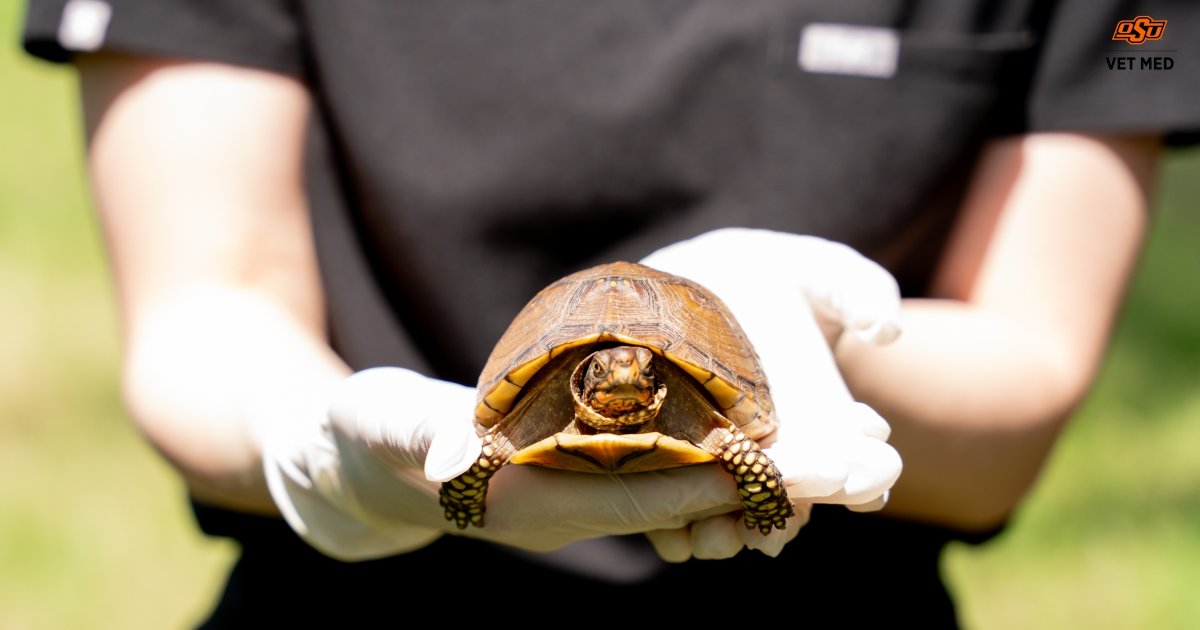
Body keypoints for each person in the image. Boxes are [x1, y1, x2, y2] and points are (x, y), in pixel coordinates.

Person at [23, 0, 1197, 626]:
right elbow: (203, 301)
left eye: (631, 377)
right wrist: (320, 453)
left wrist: (822, 349)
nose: (623, 381)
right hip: (344, 605)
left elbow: (1030, 363)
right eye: (606, 377)